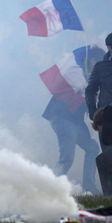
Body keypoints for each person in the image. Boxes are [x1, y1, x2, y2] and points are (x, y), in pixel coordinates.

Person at [42, 46, 105, 195]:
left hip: (75, 120)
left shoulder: (90, 75)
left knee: (93, 148)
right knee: (67, 159)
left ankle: (89, 189)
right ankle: (51, 191)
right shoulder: (76, 72)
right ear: (93, 60)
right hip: (63, 117)